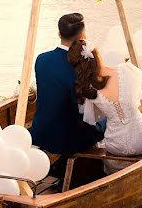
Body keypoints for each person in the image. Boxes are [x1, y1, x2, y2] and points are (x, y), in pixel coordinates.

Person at [67, 37, 142, 173]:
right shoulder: (126, 70)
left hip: (116, 144)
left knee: (103, 141)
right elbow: (141, 104)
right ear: (98, 55)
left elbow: (94, 118)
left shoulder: (87, 89)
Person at [29, 13, 107, 155]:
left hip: (39, 133)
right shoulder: (84, 64)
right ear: (83, 35)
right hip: (69, 139)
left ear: (59, 34)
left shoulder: (41, 59)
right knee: (107, 121)